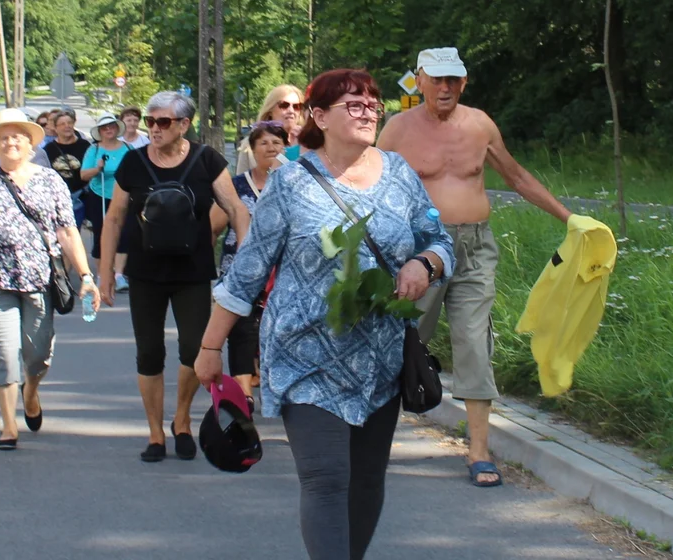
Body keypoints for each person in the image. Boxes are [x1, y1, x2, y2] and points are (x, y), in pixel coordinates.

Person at [196, 69, 455, 559]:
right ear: (320, 117)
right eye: (353, 105)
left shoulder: (399, 174)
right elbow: (247, 273)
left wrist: (426, 263)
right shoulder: (290, 182)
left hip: (380, 359)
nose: (367, 113)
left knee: (366, 482)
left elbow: (440, 241)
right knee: (326, 479)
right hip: (304, 355)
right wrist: (210, 348)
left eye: (373, 104)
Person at [377, 46, 572, 488]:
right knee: (401, 342)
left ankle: (479, 452)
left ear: (464, 83)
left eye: (454, 80)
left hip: (474, 247)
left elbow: (517, 176)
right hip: (419, 251)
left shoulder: (480, 124)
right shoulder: (397, 129)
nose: (445, 88)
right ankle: (375, 440)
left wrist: (569, 219)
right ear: (420, 79)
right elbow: (370, 184)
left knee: (474, 342)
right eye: (437, 79)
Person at [98, 91, 249, 463]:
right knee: (148, 353)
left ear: (184, 124)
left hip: (192, 271)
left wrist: (245, 264)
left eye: (162, 122)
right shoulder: (133, 163)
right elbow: (114, 218)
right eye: (150, 121)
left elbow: (236, 208)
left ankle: (181, 418)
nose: (154, 128)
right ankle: (155, 432)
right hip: (145, 273)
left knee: (194, 350)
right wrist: (104, 275)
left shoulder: (206, 160)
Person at [0, 108, 99, 450]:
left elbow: (68, 231)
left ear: (30, 143)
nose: (10, 142)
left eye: (17, 136)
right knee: (2, 352)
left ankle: (30, 391)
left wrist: (87, 275)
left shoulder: (50, 182)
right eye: (3, 137)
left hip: (40, 280)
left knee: (37, 353)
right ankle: (8, 424)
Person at [209, 121, 288, 400]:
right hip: (239, 268)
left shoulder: (293, 183)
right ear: (252, 150)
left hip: (282, 273)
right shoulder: (236, 186)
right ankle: (243, 394)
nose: (270, 148)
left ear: (285, 148)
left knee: (277, 330)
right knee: (241, 329)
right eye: (263, 143)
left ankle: (276, 386)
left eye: (277, 143)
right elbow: (214, 226)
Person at [80, 113, 130, 291]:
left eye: (111, 126)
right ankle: (102, 275)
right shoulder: (93, 150)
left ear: (117, 128)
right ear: (100, 132)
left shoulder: (127, 148)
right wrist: (98, 168)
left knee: (123, 234)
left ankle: (119, 275)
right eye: (104, 128)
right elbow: (83, 174)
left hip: (123, 196)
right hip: (99, 195)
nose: (108, 129)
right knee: (102, 234)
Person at [235, 84, 305, 173]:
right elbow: (241, 181)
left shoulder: (309, 143)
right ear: (270, 110)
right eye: (284, 105)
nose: (291, 111)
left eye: (296, 107)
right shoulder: (250, 143)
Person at [43, 108, 91, 228]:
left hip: (80, 198)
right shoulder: (49, 149)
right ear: (55, 127)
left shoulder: (85, 146)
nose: (67, 126)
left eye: (69, 123)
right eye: (62, 124)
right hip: (57, 199)